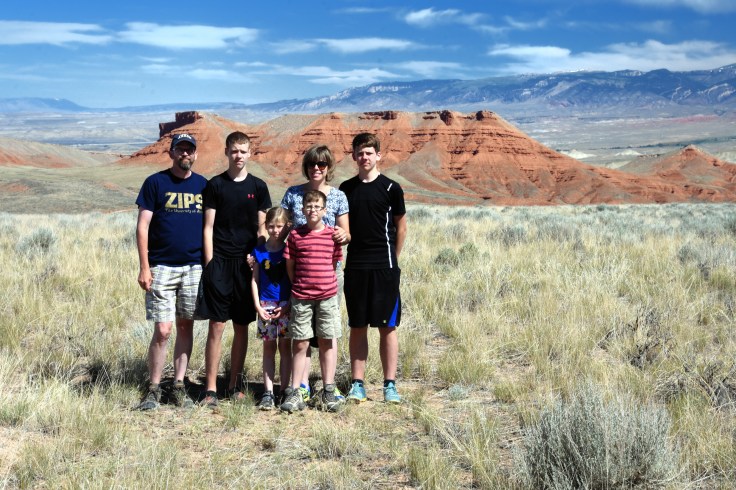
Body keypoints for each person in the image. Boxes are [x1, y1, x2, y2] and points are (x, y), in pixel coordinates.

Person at [196, 131, 271, 407]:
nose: (238, 155)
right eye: (234, 151)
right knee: (216, 325)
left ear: (250, 153)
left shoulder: (259, 186)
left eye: (243, 151)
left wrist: (258, 257)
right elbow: (208, 228)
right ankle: (211, 389)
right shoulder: (215, 185)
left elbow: (262, 228)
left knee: (241, 326)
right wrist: (210, 265)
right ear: (226, 152)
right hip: (220, 264)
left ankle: (235, 384)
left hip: (247, 265)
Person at [134, 133, 207, 410]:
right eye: (180, 150)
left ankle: (178, 385)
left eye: (189, 150)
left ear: (195, 154)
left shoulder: (203, 185)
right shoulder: (155, 183)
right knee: (163, 330)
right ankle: (153, 387)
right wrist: (144, 266)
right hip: (162, 266)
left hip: (194, 267)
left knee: (186, 325)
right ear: (171, 153)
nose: (185, 154)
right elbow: (142, 226)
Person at [339, 133, 407, 404]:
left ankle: (389, 385)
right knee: (357, 325)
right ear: (353, 156)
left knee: (387, 326)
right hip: (355, 265)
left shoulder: (392, 188)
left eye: (369, 152)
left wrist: (393, 257)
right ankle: (358, 384)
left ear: (379, 155)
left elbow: (401, 226)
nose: (364, 157)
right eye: (360, 153)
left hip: (384, 266)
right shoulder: (345, 189)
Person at [280, 144, 350, 404]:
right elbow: (281, 228)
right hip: (299, 275)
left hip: (329, 277)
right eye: (312, 164)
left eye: (322, 164)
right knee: (301, 335)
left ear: (329, 167)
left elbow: (344, 234)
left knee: (327, 332)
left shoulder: (338, 196)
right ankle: (301, 386)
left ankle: (328, 387)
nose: (317, 169)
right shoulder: (293, 194)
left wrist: (344, 236)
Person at [251, 207, 292, 410]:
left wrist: (288, 305)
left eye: (279, 226)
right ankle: (268, 392)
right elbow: (255, 279)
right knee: (269, 348)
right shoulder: (259, 251)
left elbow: (294, 280)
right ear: (266, 227)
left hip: (284, 305)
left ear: (286, 226)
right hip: (266, 305)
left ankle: (284, 390)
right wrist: (257, 305)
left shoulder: (288, 250)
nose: (275, 230)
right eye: (272, 226)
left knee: (285, 347)